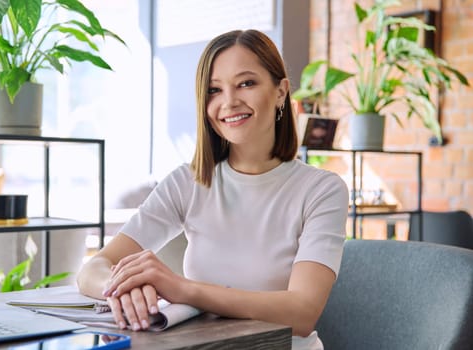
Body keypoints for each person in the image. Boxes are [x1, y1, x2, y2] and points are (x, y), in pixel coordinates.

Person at [77, 29, 349, 350]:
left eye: (246, 83)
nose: (229, 101)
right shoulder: (189, 182)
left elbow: (302, 312)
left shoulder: (321, 190)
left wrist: (183, 289)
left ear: (280, 92)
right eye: (214, 90)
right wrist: (123, 287)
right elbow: (92, 268)